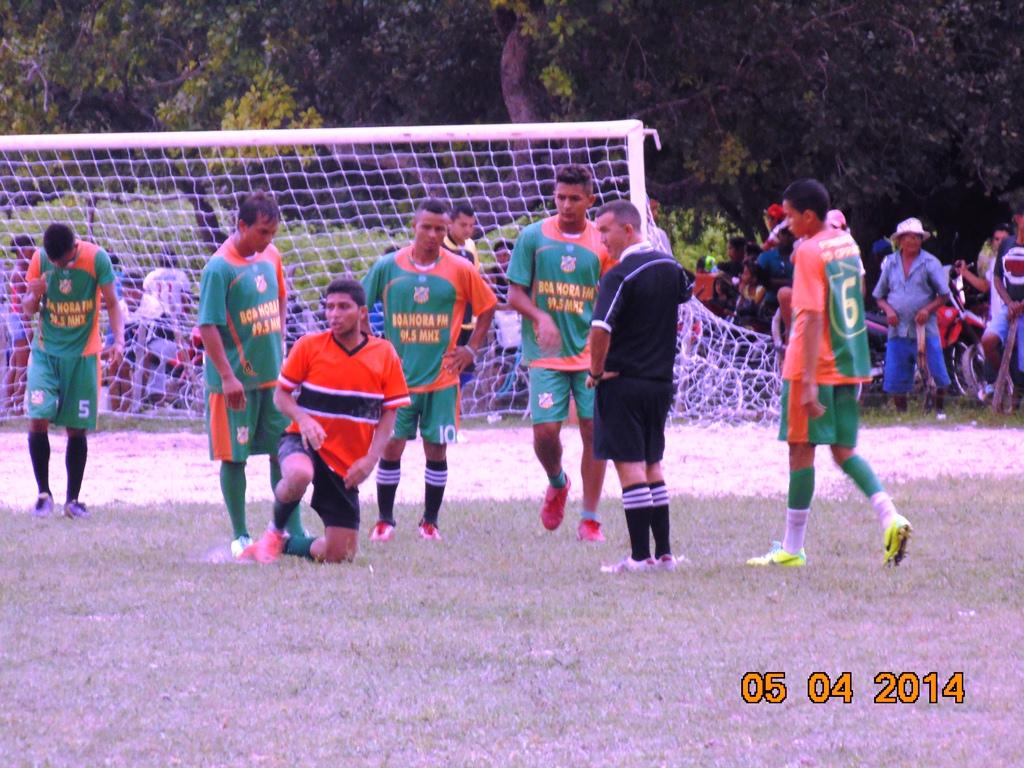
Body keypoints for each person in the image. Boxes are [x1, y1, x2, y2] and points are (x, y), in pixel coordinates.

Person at [747, 178, 912, 568]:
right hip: (849, 360)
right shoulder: (846, 243)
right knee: (843, 450)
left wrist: (804, 380)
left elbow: (812, 314)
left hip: (815, 365)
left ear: (808, 216)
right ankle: (891, 515)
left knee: (800, 450)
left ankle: (791, 548)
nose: (785, 224)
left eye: (788, 216)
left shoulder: (807, 251)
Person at [241, 278, 410, 564]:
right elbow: (281, 396)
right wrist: (303, 419)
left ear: (362, 313)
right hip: (302, 440)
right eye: (329, 307)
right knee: (299, 474)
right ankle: (274, 531)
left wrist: (369, 460)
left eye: (343, 307)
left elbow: (389, 414)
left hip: (344, 463)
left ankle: (283, 545)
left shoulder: (384, 354)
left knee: (340, 555)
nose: (334, 314)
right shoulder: (309, 345)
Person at [362, 198, 497, 541]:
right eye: (427, 227)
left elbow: (488, 307)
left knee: (436, 449)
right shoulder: (387, 267)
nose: (433, 234)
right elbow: (359, 305)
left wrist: (471, 348)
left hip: (443, 379)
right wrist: (370, 346)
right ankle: (385, 521)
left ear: (447, 229)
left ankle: (430, 522)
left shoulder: (461, 268)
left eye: (440, 228)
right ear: (414, 225)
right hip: (397, 380)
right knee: (392, 447)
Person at [507, 164, 613, 542]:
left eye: (574, 199)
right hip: (544, 354)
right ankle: (557, 481)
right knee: (546, 432)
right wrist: (540, 317)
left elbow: (612, 295)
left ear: (590, 200)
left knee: (594, 431)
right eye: (560, 198)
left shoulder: (602, 243)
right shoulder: (533, 237)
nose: (566, 205)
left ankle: (590, 518)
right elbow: (514, 293)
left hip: (589, 353)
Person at [198, 191, 306, 558]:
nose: (268, 240)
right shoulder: (219, 269)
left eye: (273, 233)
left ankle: (290, 529)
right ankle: (240, 535)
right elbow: (208, 327)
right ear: (241, 226)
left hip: (273, 378)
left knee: (283, 452)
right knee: (235, 457)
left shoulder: (271, 255)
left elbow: (280, 300)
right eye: (262, 232)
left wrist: (282, 350)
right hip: (235, 383)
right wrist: (228, 377)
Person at [587, 200, 692, 573]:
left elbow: (601, 329)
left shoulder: (621, 274)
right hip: (661, 383)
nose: (602, 241)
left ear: (628, 230)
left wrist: (596, 372)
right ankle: (664, 554)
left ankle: (638, 557)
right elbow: (686, 293)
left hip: (624, 383)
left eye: (605, 231)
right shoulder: (672, 269)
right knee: (653, 466)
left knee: (630, 469)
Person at [21, 224, 125, 517]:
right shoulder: (40, 259)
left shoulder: (96, 258)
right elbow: (28, 310)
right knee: (38, 416)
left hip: (83, 356)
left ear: (74, 249)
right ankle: (43, 494)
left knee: (76, 428)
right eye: (54, 262)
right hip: (46, 354)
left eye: (63, 261)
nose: (58, 266)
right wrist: (35, 295)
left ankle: (72, 501)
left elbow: (113, 303)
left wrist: (119, 339)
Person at [873, 217, 952, 416]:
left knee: (938, 372)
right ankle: (902, 414)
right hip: (898, 327)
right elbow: (879, 296)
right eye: (908, 238)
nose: (912, 241)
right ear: (899, 240)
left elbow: (943, 295)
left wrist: (927, 309)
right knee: (896, 376)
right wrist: (889, 311)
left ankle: (939, 411)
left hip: (925, 327)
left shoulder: (930, 262)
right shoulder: (890, 262)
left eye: (917, 237)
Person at [980, 206, 1024, 399]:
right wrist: (1010, 302)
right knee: (988, 340)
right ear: (1018, 219)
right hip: (1010, 306)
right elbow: (997, 278)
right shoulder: (1007, 244)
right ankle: (1006, 379)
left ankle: (1016, 397)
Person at [444, 203, 482, 385]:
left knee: (466, 370)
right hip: (447, 322)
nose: (468, 230)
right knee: (447, 370)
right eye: (463, 225)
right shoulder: (440, 246)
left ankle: (456, 409)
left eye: (471, 225)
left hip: (468, 321)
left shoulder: (471, 246)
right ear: (450, 223)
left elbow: (475, 281)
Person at [3, 235, 34, 414]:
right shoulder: (21, 271)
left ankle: (8, 403)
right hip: (20, 320)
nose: (33, 251)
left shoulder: (20, 268)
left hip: (14, 318)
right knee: (22, 366)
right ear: (22, 250)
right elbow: (22, 304)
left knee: (15, 364)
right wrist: (28, 327)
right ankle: (17, 406)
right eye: (31, 248)